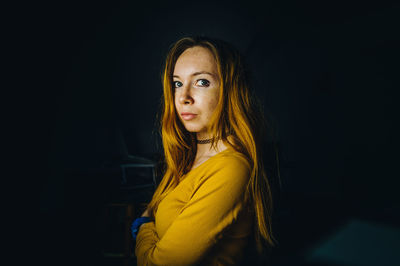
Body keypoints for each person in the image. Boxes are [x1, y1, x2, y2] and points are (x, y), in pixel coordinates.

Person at [132, 36, 276, 265]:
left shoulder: (230, 168)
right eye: (177, 83)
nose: (183, 97)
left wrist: (143, 226)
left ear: (230, 90)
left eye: (202, 82)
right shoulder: (187, 156)